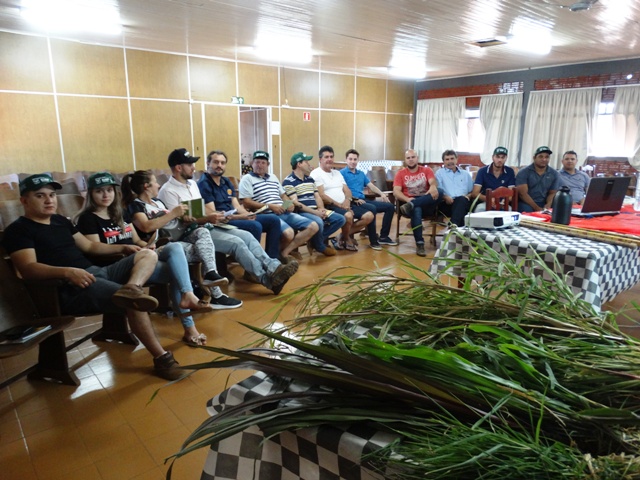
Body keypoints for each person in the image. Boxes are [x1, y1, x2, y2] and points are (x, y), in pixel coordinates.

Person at [1, 174, 183, 380]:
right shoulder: (18, 230)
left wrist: (123, 247)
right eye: (40, 196)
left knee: (147, 255)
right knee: (135, 302)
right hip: (69, 286)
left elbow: (88, 246)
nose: (49, 200)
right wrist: (67, 272)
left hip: (94, 271)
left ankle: (131, 288)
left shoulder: (60, 221)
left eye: (52, 195)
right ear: (24, 201)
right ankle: (162, 359)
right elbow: (28, 269)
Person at [76, 171, 218, 347]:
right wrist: (124, 248)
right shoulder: (88, 218)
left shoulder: (120, 213)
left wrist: (147, 245)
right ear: (90, 194)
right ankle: (190, 327)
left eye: (109, 190)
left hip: (139, 258)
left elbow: (136, 240)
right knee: (177, 270)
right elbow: (94, 248)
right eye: (99, 191)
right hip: (117, 265)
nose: (106, 195)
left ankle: (188, 296)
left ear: (115, 192)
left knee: (174, 248)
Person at [158, 148, 298, 295]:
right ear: (179, 168)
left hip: (207, 225)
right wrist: (211, 217)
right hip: (192, 233)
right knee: (237, 243)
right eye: (190, 164)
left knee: (246, 236)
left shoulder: (191, 184)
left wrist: (214, 215)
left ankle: (274, 267)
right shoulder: (168, 191)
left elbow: (200, 209)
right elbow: (184, 222)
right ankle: (267, 280)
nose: (194, 168)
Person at [121, 169, 242, 311]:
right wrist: (174, 213)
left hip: (180, 234)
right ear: (146, 186)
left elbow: (173, 221)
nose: (158, 185)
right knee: (203, 250)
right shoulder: (136, 205)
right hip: (162, 244)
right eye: (155, 182)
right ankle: (216, 294)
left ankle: (210, 274)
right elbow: (146, 227)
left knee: (203, 232)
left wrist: (185, 218)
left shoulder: (158, 202)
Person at [197, 150, 282, 260]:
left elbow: (237, 206)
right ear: (208, 163)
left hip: (234, 216)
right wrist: (242, 217)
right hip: (222, 222)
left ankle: (272, 260)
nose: (219, 165)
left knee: (273, 220)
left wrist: (248, 214)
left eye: (222, 163)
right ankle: (253, 262)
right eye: (216, 162)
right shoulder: (204, 183)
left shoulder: (226, 181)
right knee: (255, 226)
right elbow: (215, 215)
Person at [239, 150, 319, 261]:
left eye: (263, 163)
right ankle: (274, 257)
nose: (260, 165)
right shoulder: (247, 178)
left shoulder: (273, 177)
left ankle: (284, 253)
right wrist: (270, 206)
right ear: (252, 163)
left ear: (268, 164)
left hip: (283, 211)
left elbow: (283, 195)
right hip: (267, 214)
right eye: (257, 162)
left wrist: (289, 204)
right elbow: (246, 202)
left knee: (313, 226)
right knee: (288, 233)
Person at [310, 145, 373, 252]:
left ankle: (341, 236)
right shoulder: (316, 173)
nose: (329, 159)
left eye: (331, 156)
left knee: (369, 216)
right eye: (326, 157)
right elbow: (322, 195)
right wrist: (340, 205)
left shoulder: (337, 173)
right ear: (320, 159)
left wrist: (347, 201)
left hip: (344, 204)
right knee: (348, 215)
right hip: (329, 206)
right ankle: (347, 239)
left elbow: (347, 190)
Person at [282, 152, 345, 256]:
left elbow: (317, 196)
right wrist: (316, 213)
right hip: (303, 212)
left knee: (340, 219)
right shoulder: (288, 181)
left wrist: (321, 208)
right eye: (306, 162)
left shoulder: (310, 179)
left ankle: (313, 240)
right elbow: (296, 203)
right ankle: (320, 246)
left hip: (316, 209)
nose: (309, 164)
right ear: (299, 164)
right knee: (319, 221)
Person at [339, 149, 397, 247]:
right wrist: (354, 199)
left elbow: (371, 186)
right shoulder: (341, 173)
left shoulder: (361, 173)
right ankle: (373, 241)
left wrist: (382, 194)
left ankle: (384, 237)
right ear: (346, 160)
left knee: (390, 207)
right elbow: (340, 191)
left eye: (355, 159)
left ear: (358, 160)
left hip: (363, 200)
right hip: (352, 202)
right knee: (372, 208)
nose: (353, 161)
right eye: (350, 159)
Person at [392, 148, 443, 257]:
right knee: (416, 209)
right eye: (408, 158)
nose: (411, 159)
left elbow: (432, 182)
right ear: (405, 160)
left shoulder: (426, 170)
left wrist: (433, 186)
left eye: (413, 157)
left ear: (417, 158)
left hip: (426, 202)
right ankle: (420, 244)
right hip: (409, 202)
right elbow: (396, 191)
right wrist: (407, 200)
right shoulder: (400, 173)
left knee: (440, 191)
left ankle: (413, 204)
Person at [515, 146, 561, 212]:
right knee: (527, 210)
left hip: (544, 202)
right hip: (526, 203)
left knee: (559, 209)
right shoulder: (524, 172)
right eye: (540, 157)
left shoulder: (554, 173)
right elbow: (523, 194)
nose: (544, 159)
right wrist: (537, 208)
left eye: (547, 157)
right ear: (534, 158)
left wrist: (548, 205)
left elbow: (552, 193)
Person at [470, 146, 516, 212]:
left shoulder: (510, 172)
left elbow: (511, 193)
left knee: (510, 211)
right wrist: (488, 199)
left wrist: (505, 201)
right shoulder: (482, 171)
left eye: (502, 157)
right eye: (497, 157)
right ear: (492, 157)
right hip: (485, 202)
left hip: (503, 203)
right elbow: (475, 193)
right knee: (479, 209)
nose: (500, 160)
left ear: (506, 158)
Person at [435, 149, 473, 226]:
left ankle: (453, 225)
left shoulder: (465, 174)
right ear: (443, 161)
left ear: (456, 159)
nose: (450, 161)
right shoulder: (439, 174)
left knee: (461, 201)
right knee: (461, 210)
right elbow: (438, 190)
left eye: (452, 158)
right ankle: (456, 227)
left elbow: (471, 192)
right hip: (447, 203)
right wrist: (445, 197)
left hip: (463, 201)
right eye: (447, 159)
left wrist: (467, 196)